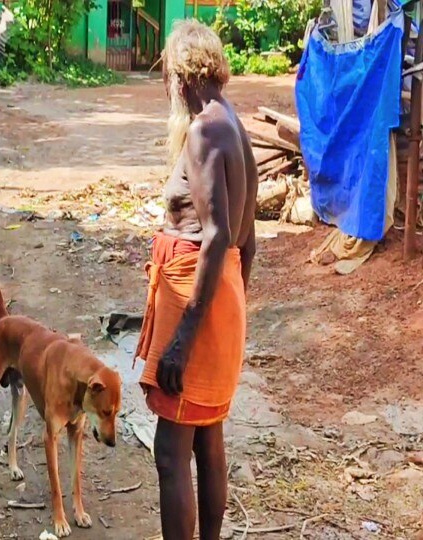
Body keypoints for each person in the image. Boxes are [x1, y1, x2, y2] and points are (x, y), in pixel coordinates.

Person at [134, 20, 258, 540]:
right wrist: (232, 303)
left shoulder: (205, 130)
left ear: (181, 77)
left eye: (167, 75)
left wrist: (187, 337)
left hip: (197, 303)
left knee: (170, 452)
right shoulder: (233, 122)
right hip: (217, 298)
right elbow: (245, 241)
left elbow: (217, 235)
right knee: (207, 438)